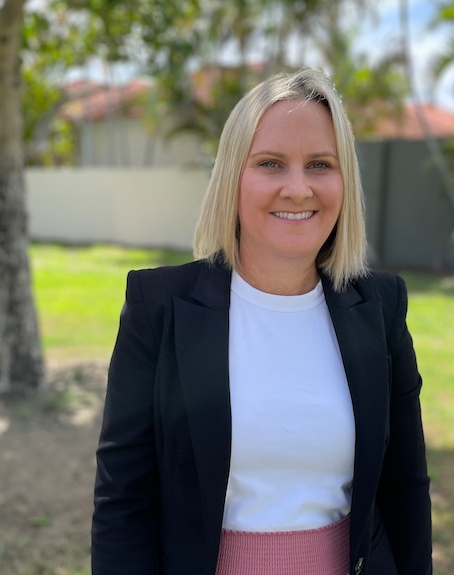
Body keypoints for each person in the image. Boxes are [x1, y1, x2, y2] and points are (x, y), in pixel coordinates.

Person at [91, 68, 432, 575]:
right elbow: (124, 499)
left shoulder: (380, 307)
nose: (298, 188)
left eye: (320, 164)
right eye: (271, 163)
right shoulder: (158, 305)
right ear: (233, 177)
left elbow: (405, 488)